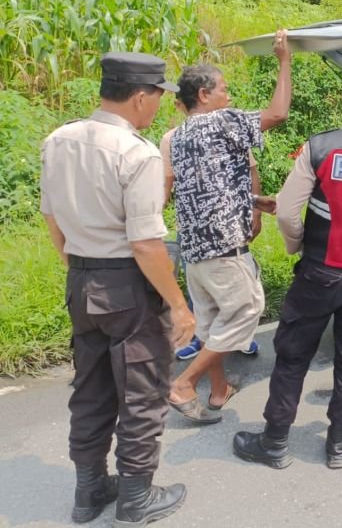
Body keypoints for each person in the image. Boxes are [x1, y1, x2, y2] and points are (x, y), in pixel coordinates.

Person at [40, 52, 195, 526]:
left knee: (90, 389)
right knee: (142, 394)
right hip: (128, 284)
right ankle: (135, 498)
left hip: (82, 280)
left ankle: (89, 493)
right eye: (158, 98)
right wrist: (180, 307)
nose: (159, 108)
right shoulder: (136, 152)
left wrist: (77, 264)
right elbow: (147, 244)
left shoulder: (58, 139)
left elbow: (52, 215)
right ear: (140, 95)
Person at [232, 66, 342, 469]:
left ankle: (275, 442)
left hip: (318, 273)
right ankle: (338, 444)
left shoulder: (320, 149)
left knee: (293, 358)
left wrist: (297, 245)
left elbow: (286, 213)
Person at [167, 31, 291, 424]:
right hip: (224, 249)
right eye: (223, 89)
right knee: (247, 311)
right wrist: (284, 60)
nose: (229, 95)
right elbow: (278, 113)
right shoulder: (222, 121)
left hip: (194, 251)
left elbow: (206, 188)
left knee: (212, 323)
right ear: (204, 95)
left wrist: (254, 202)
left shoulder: (177, 136)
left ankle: (219, 391)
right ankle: (184, 384)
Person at [160, 101, 260, 361]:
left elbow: (250, 171)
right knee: (203, 290)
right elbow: (167, 183)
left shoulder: (227, 129)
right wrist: (154, 219)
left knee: (236, 285)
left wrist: (256, 208)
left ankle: (235, 338)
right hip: (193, 229)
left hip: (228, 227)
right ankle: (206, 342)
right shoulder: (171, 139)